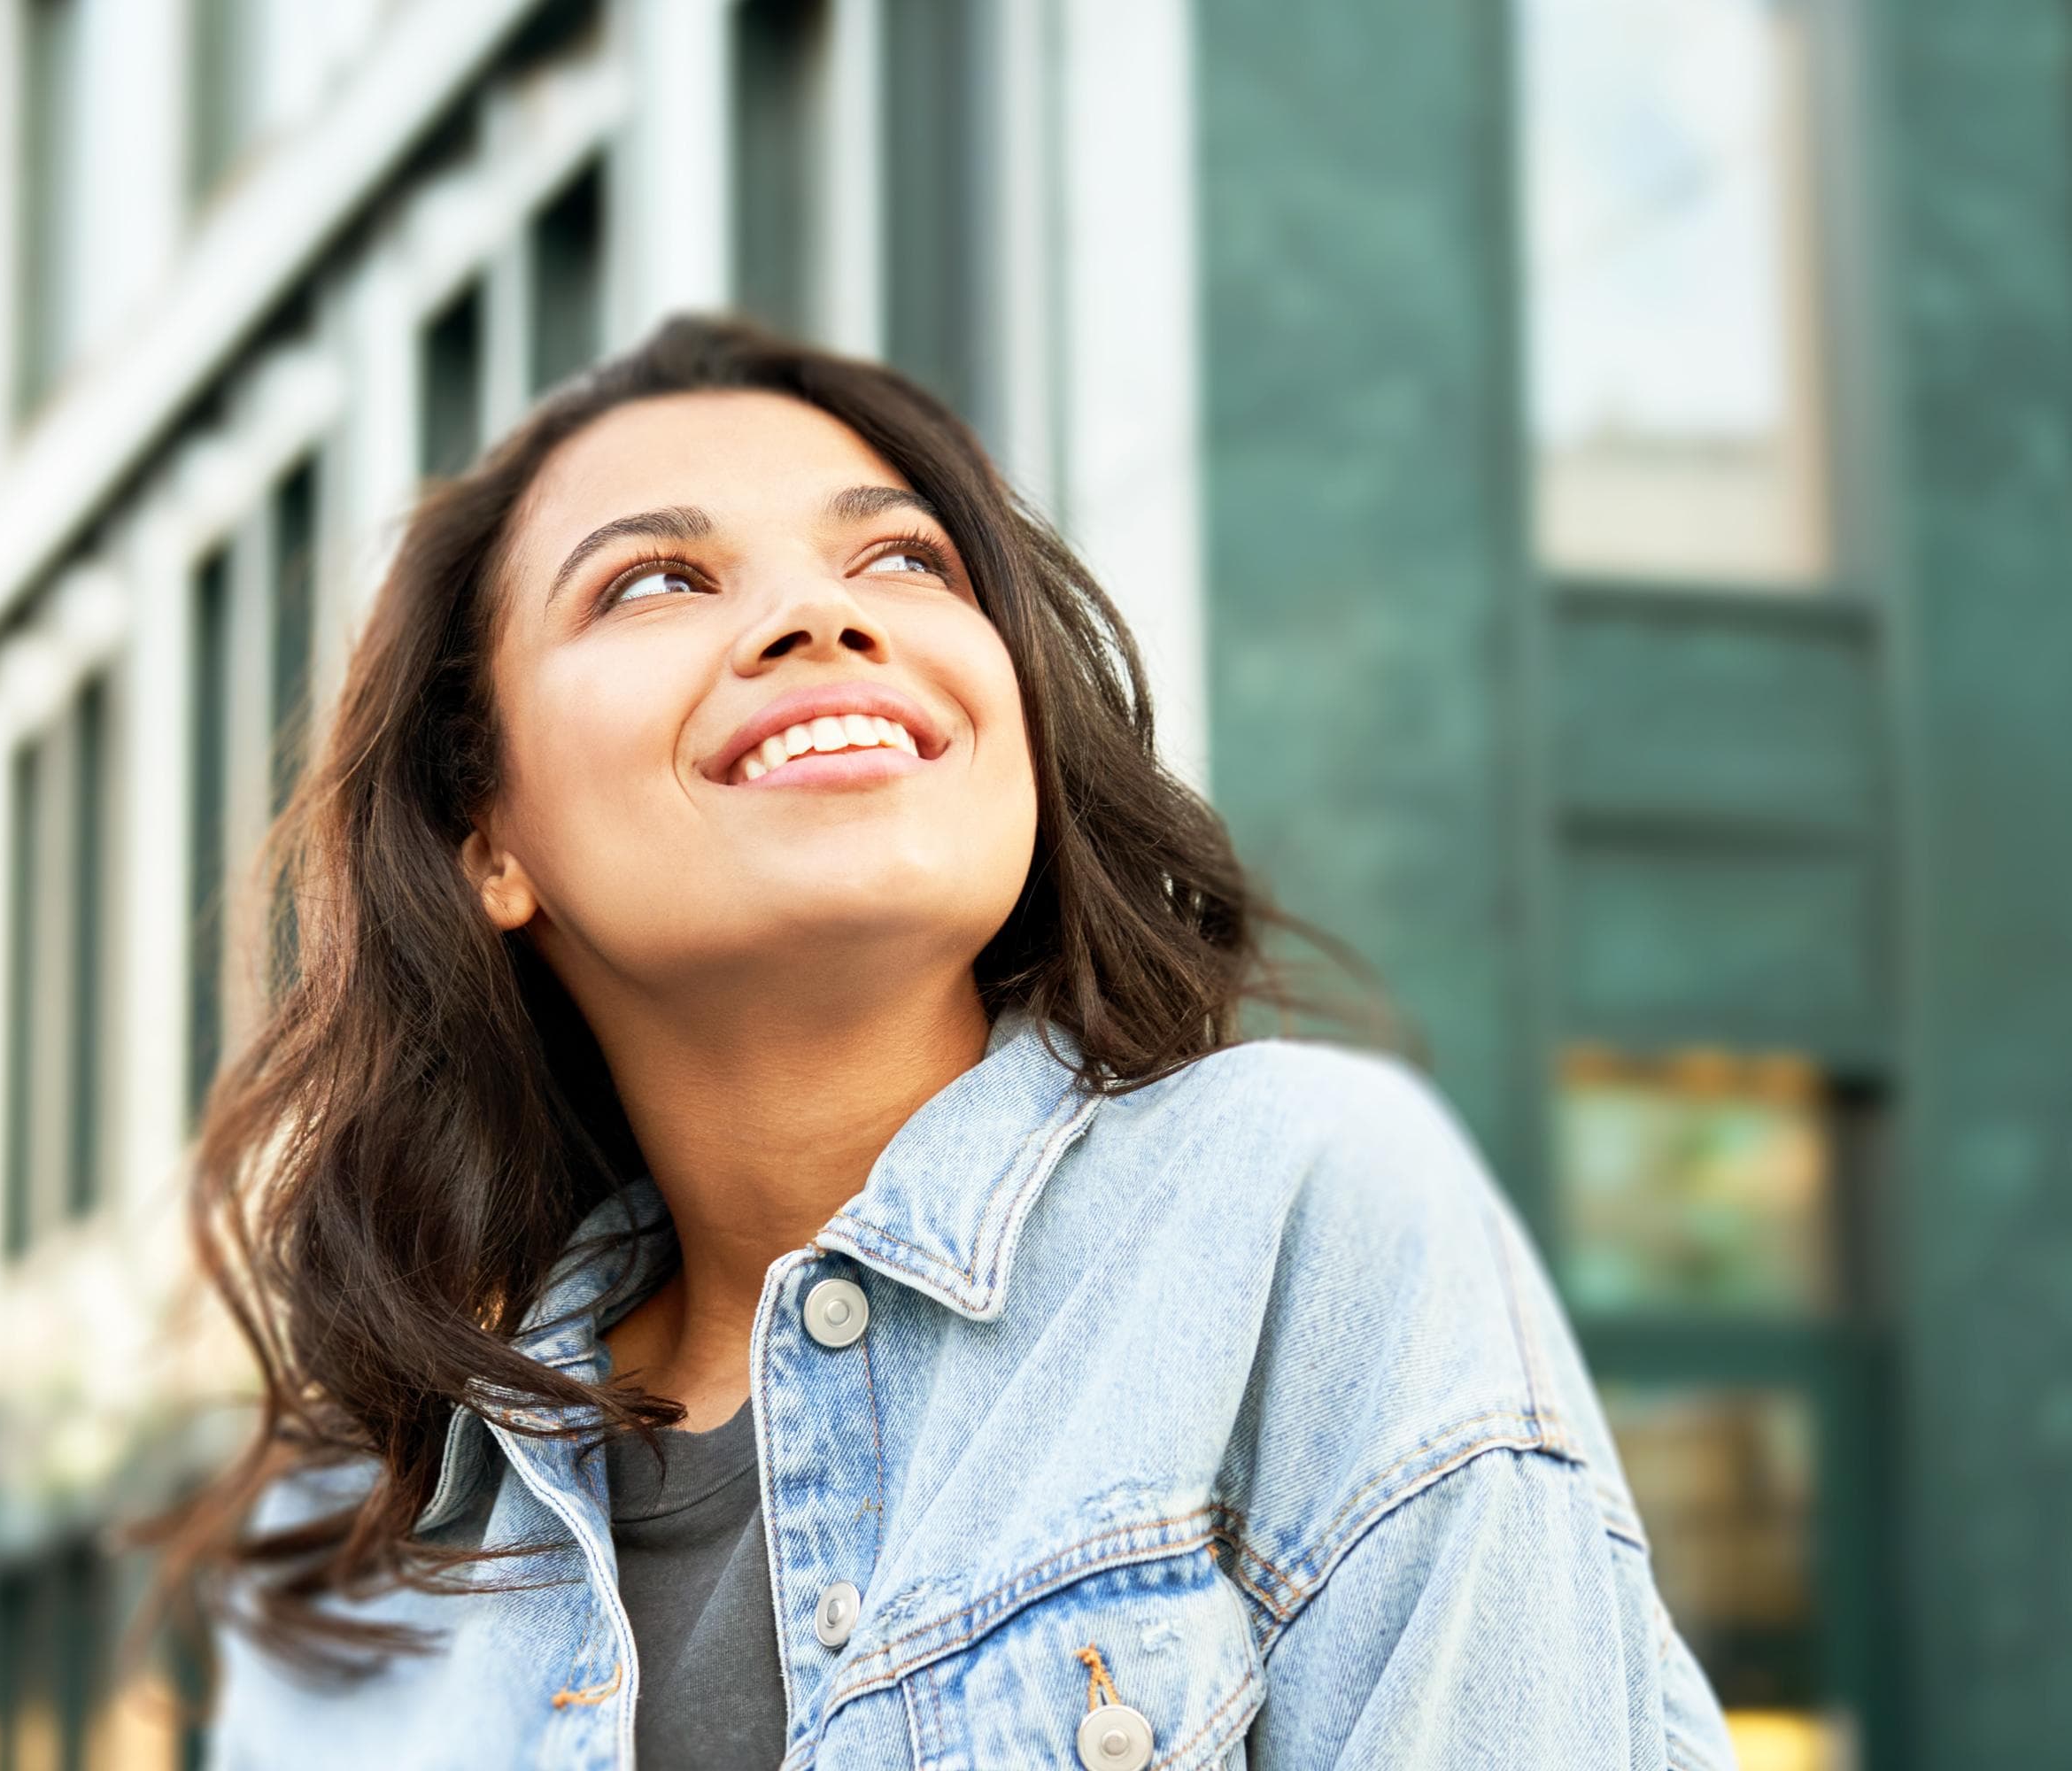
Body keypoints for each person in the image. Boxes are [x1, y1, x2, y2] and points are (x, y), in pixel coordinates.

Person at [166, 313, 1738, 1769]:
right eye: (654, 581)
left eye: (906, 560)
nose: (817, 615)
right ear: (484, 836)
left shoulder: (1297, 1212)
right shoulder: (364, 1547)